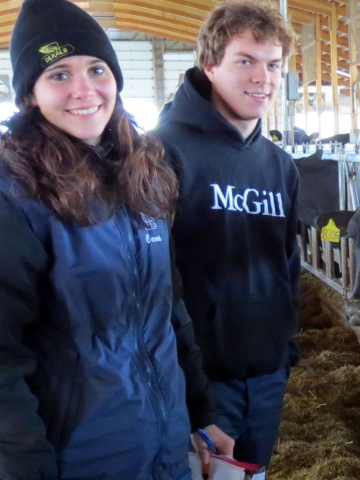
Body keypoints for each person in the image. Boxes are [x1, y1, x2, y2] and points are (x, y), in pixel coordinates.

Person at [0, 1, 233, 479]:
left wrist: (199, 414)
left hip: (166, 447)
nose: (84, 90)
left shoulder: (144, 176)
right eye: (59, 74)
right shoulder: (15, 197)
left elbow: (170, 310)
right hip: (80, 458)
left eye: (96, 68)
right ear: (30, 95)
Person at [154, 0, 300, 474]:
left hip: (266, 376)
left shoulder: (280, 166)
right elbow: (154, 282)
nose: (264, 78)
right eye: (245, 61)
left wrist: (283, 352)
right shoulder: (162, 153)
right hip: (198, 382)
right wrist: (187, 391)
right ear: (210, 64)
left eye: (273, 64)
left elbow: (288, 263)